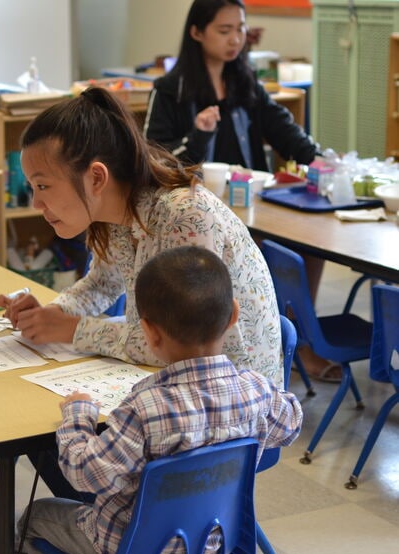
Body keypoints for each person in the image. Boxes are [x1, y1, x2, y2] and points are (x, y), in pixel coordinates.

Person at [0, 86, 282, 501]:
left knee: (55, 444)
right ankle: (124, 535)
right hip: (172, 387)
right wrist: (49, 314)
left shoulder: (183, 214)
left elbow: (179, 343)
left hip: (224, 415)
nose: (36, 203)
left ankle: (125, 539)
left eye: (43, 186)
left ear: (96, 177)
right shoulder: (120, 210)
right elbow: (100, 284)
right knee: (50, 431)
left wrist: (73, 329)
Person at [17, 246, 303, 554]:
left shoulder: (144, 408)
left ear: (149, 332)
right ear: (233, 316)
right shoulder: (256, 391)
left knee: (34, 516)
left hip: (127, 551)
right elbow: (291, 423)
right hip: (212, 543)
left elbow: (85, 473)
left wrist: (79, 414)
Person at [143, 0, 337, 383]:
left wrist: (320, 161)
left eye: (240, 29)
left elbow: (284, 129)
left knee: (310, 242)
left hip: (255, 203)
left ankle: (302, 343)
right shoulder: (170, 90)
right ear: (197, 32)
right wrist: (198, 135)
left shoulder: (244, 82)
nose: (235, 39)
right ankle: (247, 350)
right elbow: (156, 162)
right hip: (202, 210)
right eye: (224, 30)